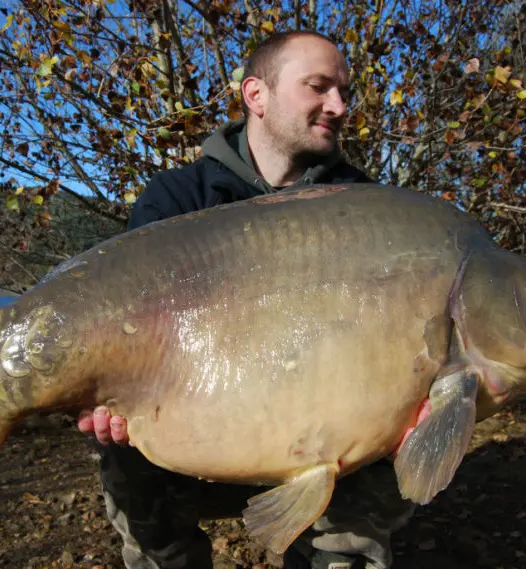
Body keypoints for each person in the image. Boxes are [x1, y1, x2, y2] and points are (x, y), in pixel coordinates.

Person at [78, 30, 416, 569]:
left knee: (382, 455)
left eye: (344, 91)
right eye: (319, 87)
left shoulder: (364, 207)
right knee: (124, 453)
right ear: (256, 95)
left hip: (327, 439)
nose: (340, 106)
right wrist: (108, 393)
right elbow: (134, 331)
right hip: (198, 440)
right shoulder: (175, 200)